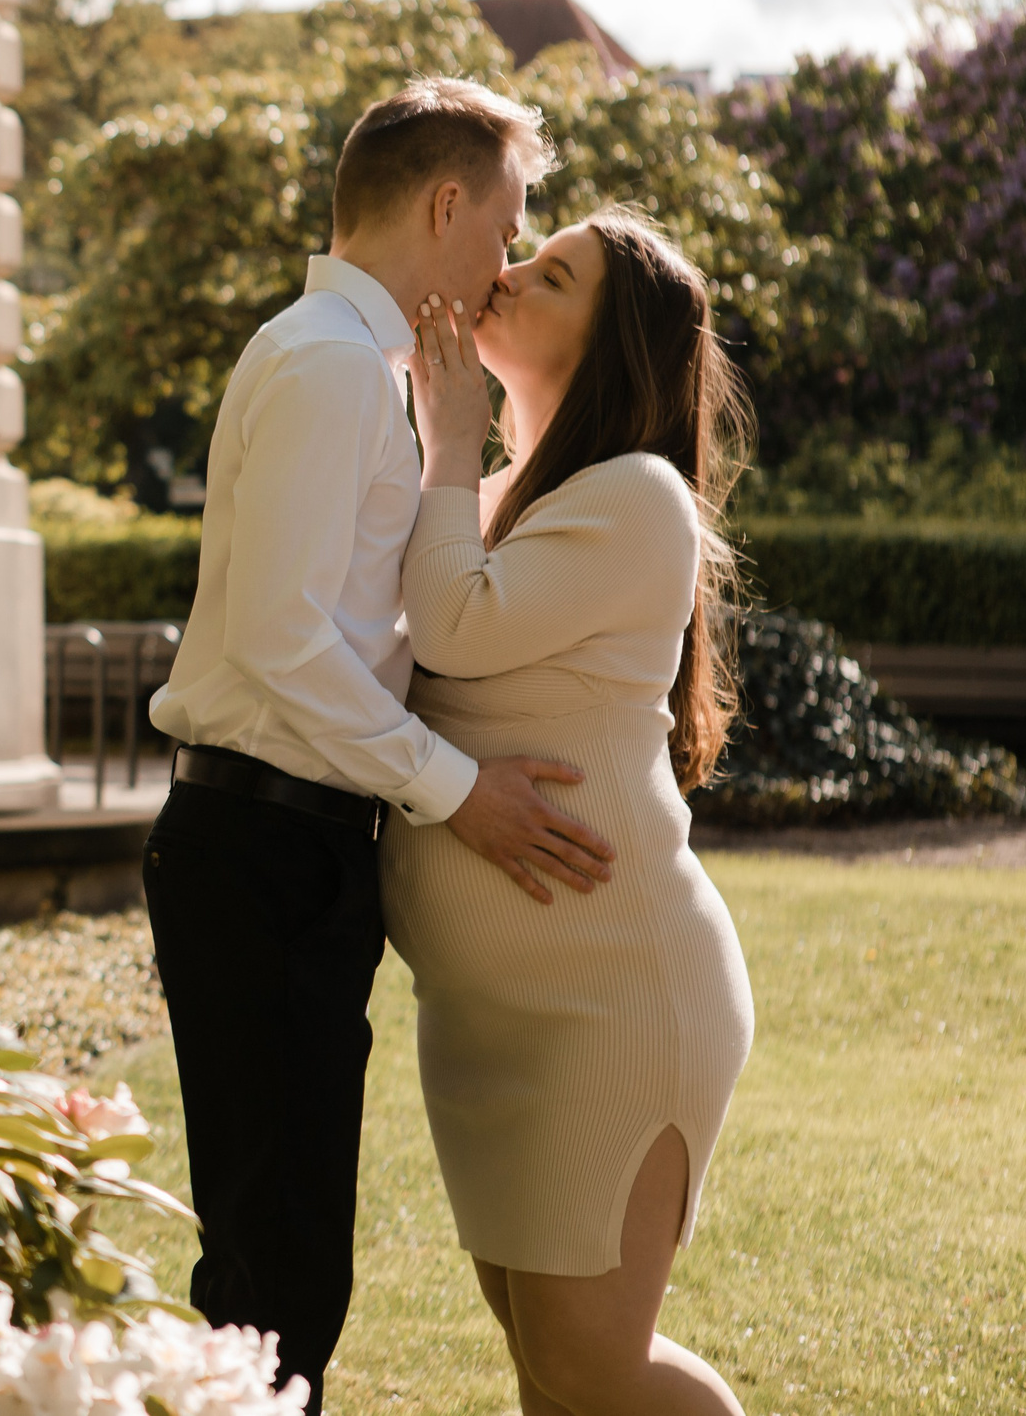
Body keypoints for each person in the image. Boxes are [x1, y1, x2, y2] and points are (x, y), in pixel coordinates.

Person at [142, 76, 619, 1411]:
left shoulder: (362, 369)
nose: (506, 263)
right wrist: (456, 790)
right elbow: (284, 640)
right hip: (260, 847)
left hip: (294, 850)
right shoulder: (329, 365)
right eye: (506, 227)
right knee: (271, 1285)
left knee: (285, 1274)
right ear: (445, 205)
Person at [388, 206, 755, 1416]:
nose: (509, 273)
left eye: (552, 276)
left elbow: (452, 628)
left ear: (609, 348)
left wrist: (445, 437)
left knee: (594, 1363)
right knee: (551, 1376)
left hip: (611, 1003)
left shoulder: (636, 493)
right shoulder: (492, 495)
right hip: (485, 1023)